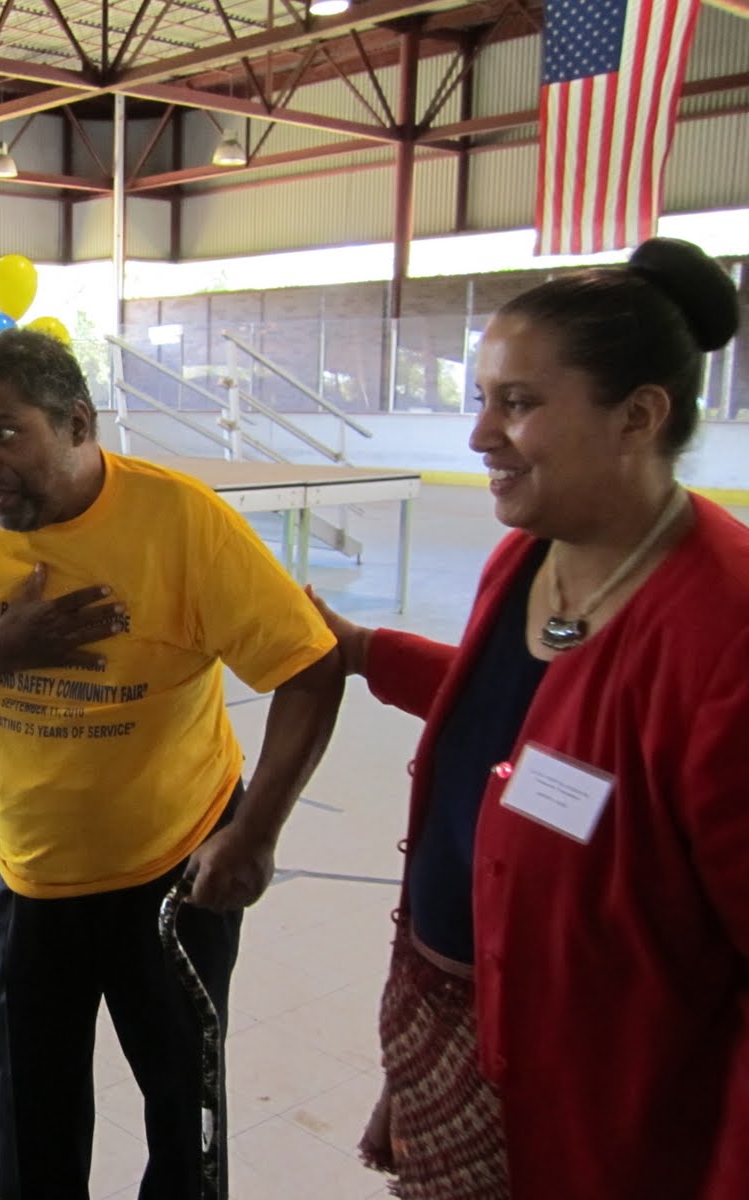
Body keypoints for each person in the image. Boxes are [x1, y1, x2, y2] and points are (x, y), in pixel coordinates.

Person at [309, 238, 748, 1200]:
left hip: (601, 1085)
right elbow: (518, 714)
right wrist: (360, 649)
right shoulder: (530, 555)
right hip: (454, 1017)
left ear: (638, 415)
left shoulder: (725, 629)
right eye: (480, 399)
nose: (480, 436)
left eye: (518, 403)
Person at [0, 328, 344, 1199]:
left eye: (5, 432)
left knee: (183, 1115)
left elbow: (310, 669)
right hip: (29, 879)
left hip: (175, 875)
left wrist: (256, 831)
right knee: (35, 1125)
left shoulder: (181, 522)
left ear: (78, 422)